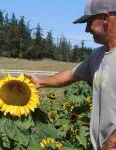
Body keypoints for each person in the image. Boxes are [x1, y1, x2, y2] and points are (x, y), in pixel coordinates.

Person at [26, 0, 116, 149]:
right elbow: (71, 74)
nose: (86, 30)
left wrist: (113, 141)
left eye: (89, 22)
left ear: (105, 18)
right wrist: (40, 82)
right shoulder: (97, 56)